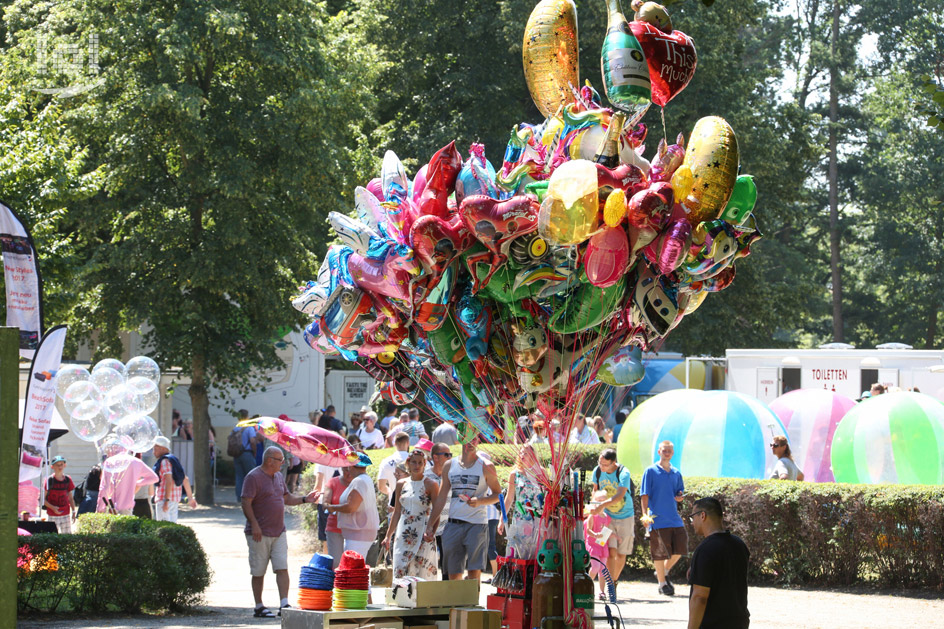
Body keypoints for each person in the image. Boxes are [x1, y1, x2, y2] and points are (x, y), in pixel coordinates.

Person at [241, 446, 318, 618]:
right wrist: (254, 524)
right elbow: (246, 502)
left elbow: (286, 498)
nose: (283, 463)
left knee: (282, 567)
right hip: (259, 532)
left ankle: (284, 604)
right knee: (258, 570)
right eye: (280, 459)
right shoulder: (253, 477)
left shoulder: (278, 476)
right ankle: (259, 606)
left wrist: (306, 499)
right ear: (269, 460)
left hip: (279, 531)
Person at [424, 436, 502, 581]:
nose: (471, 443)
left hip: (477, 524)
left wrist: (480, 501)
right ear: (460, 439)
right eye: (467, 439)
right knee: (453, 573)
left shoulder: (486, 465)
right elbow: (441, 497)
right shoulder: (449, 465)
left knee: (474, 572)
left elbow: (498, 494)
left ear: (478, 442)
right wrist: (430, 525)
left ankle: (472, 603)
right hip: (453, 524)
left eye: (475, 440)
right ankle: (455, 603)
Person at [686, 497, 750, 629]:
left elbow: (700, 596)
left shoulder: (705, 549)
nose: (692, 522)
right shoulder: (739, 544)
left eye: (693, 517)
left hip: (713, 624)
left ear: (702, 515)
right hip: (739, 622)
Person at [383, 447, 440, 578]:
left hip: (423, 531)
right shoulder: (401, 484)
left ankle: (423, 598)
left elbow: (436, 512)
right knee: (401, 569)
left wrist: (432, 531)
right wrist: (388, 536)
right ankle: (402, 598)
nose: (417, 465)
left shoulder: (431, 484)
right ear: (408, 463)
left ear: (425, 464)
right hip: (403, 532)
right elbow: (397, 512)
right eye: (414, 462)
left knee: (422, 571)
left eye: (420, 462)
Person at [641, 440, 687, 596]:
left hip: (673, 517)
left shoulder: (676, 473)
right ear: (659, 451)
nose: (667, 453)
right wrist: (645, 515)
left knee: (681, 547)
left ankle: (664, 571)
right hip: (656, 518)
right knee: (659, 552)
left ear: (673, 453)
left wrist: (680, 497)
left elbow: (679, 492)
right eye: (664, 450)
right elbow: (644, 495)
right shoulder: (650, 471)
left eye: (669, 451)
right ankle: (662, 584)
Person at [590, 448, 635, 588]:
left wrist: (602, 504)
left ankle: (613, 580)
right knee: (608, 552)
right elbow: (595, 491)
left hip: (625, 516)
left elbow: (620, 495)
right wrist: (594, 508)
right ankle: (609, 583)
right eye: (600, 463)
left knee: (622, 554)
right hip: (606, 517)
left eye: (605, 465)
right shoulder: (597, 471)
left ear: (613, 462)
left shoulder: (623, 473)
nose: (601, 467)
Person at [324, 452, 380, 560]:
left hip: (359, 534)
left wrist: (333, 507)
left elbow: (351, 507)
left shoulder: (359, 481)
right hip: (357, 534)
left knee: (351, 569)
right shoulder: (363, 479)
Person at [499, 445, 544, 558]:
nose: (522, 455)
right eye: (521, 453)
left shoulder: (541, 472)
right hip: (520, 520)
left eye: (526, 453)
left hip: (537, 521)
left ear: (533, 456)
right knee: (516, 554)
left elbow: (546, 495)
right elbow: (509, 499)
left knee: (534, 554)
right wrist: (501, 520)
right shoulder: (514, 474)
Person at [152, 436, 197, 522]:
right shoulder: (174, 460)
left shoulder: (164, 462)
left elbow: (169, 481)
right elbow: (185, 479)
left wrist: (166, 500)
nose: (153, 452)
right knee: (172, 524)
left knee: (163, 526)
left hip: (164, 499)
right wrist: (190, 498)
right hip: (175, 499)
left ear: (162, 448)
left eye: (155, 449)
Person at [426, 442, 453, 578]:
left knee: (447, 565)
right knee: (426, 563)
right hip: (428, 526)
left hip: (447, 526)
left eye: (451, 455)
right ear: (435, 457)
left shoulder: (452, 476)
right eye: (446, 454)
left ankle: (446, 594)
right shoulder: (424, 477)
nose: (450, 457)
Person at [585, 490, 613, 601]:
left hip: (602, 545)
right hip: (593, 545)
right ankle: (587, 586)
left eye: (603, 500)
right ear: (594, 502)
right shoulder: (593, 516)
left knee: (603, 569)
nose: (601, 503)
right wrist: (595, 535)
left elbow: (606, 531)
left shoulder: (607, 517)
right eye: (598, 500)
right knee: (595, 567)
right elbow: (588, 531)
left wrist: (613, 536)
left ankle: (601, 592)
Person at [321, 464, 350, 568]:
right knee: (336, 563)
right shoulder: (333, 482)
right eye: (345, 469)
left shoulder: (359, 483)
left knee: (351, 563)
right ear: (342, 469)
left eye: (350, 469)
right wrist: (337, 508)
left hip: (354, 529)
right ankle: (336, 584)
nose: (348, 473)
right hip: (334, 528)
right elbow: (325, 504)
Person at [44, 456, 76, 533]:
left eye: (61, 464)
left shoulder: (68, 479)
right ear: (52, 467)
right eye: (57, 465)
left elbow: (70, 498)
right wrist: (53, 508)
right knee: (52, 538)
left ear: (64, 465)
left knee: (66, 537)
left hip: (65, 514)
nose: (59, 467)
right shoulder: (49, 480)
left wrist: (74, 511)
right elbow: (42, 500)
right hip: (52, 515)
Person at [233, 410, 258, 500]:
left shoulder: (236, 428)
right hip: (247, 453)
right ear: (247, 417)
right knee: (251, 476)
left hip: (237, 454)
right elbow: (252, 441)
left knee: (239, 476)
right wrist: (255, 451)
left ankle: (239, 498)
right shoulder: (249, 428)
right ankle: (251, 496)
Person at [377, 432, 411, 496]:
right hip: (412, 502)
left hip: (394, 502)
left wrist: (391, 492)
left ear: (394, 444)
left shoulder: (385, 461)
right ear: (408, 443)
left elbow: (381, 487)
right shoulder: (415, 461)